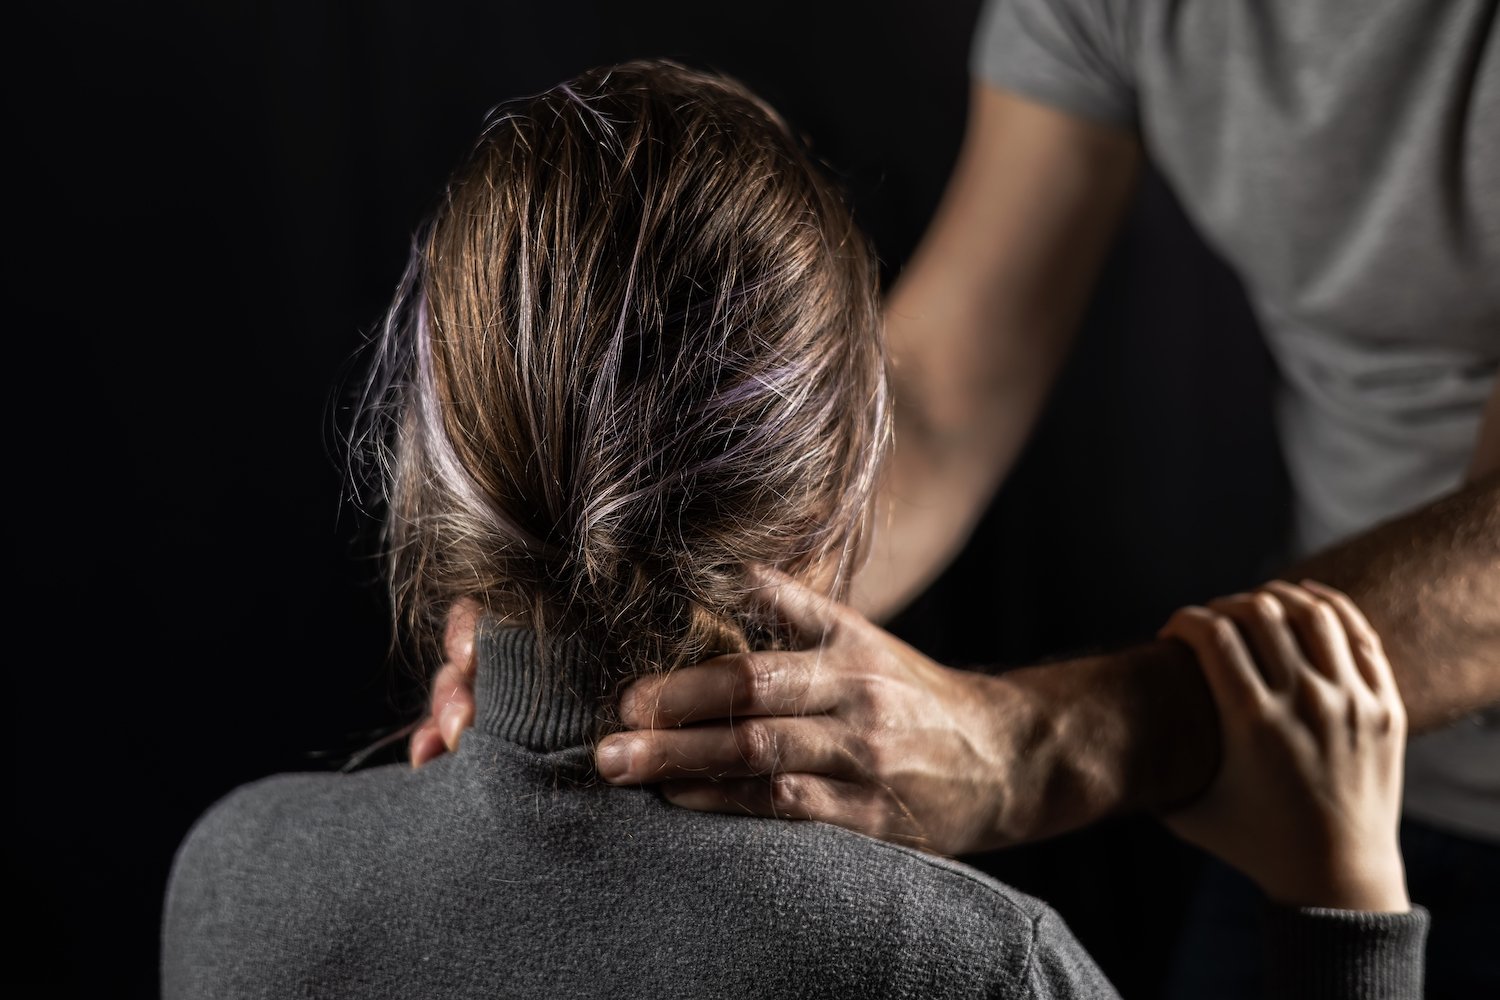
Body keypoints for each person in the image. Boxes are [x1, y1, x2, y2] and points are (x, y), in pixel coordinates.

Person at [163, 60, 1428, 999]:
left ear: (441, 457)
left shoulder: (233, 884)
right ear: (840, 492)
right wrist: (1344, 910)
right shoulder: (974, 968)